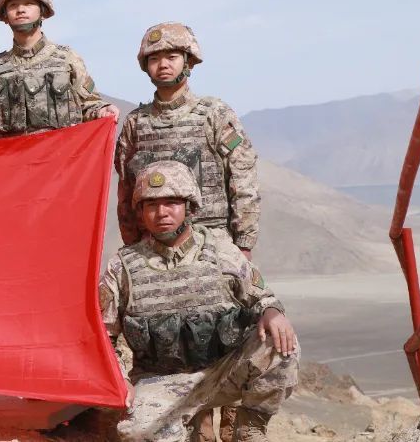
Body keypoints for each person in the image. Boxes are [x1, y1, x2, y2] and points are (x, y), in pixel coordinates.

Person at [114, 22, 261, 441]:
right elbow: (127, 188)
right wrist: (134, 246)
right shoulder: (136, 124)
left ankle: (230, 426)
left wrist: (244, 242)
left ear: (188, 61)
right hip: (159, 248)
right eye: (155, 58)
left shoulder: (214, 114)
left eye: (172, 56)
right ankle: (194, 425)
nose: (163, 64)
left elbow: (243, 177)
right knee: (179, 338)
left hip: (214, 242)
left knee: (229, 331)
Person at [99, 161, 297, 442]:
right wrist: (120, 380)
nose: (161, 212)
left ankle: (250, 427)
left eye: (172, 203)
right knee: (136, 433)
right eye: (151, 205)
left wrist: (272, 310)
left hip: (225, 372)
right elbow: (104, 337)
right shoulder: (122, 267)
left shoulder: (221, 251)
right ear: (140, 212)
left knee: (280, 341)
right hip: (161, 381)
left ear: (189, 207)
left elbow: (262, 298)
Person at [0, 0, 117, 139]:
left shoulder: (67, 59)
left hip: (61, 153)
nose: (20, 10)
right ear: (5, 16)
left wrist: (102, 110)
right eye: (13, 5)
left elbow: (89, 105)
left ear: (43, 11)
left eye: (28, 3)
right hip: (13, 155)